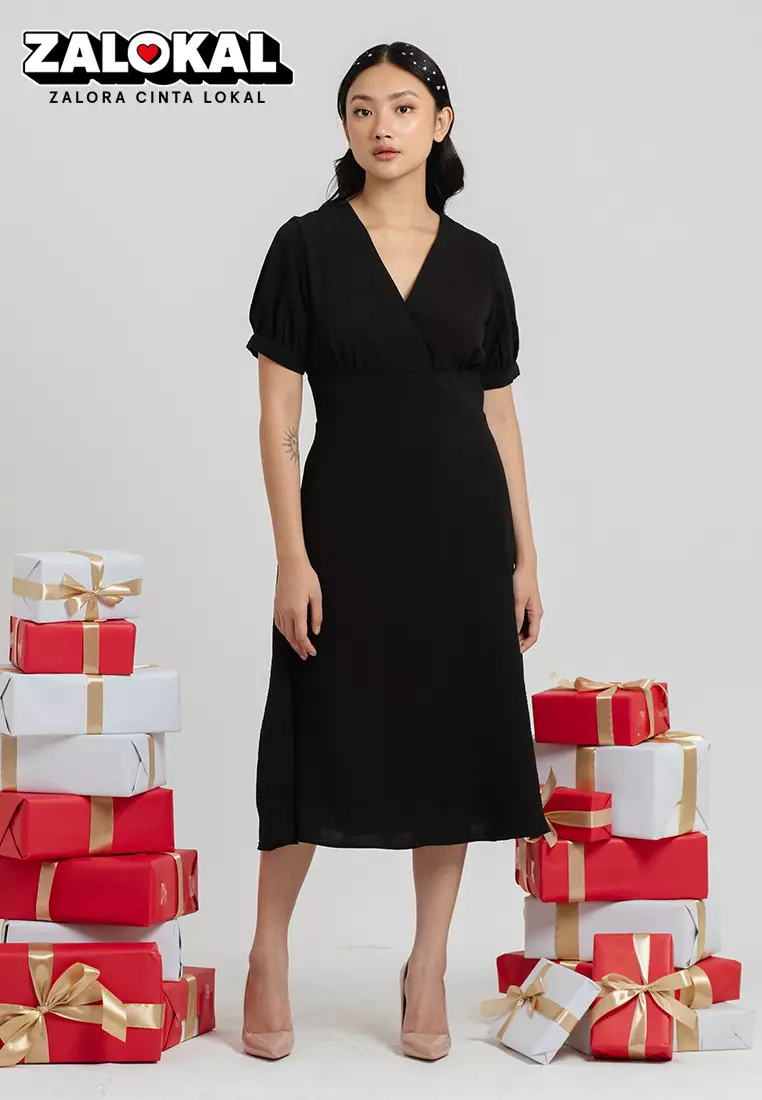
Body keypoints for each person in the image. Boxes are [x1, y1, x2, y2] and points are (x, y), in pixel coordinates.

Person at [242, 40, 548, 1062]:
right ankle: (268, 952)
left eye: (404, 106)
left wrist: (526, 557)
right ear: (345, 127)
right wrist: (292, 556)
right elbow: (277, 420)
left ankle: (427, 964)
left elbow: (499, 416)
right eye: (364, 108)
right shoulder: (305, 247)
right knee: (313, 730)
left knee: (449, 738)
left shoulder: (480, 260)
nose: (383, 125)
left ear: (440, 123)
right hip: (344, 531)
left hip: (461, 536)